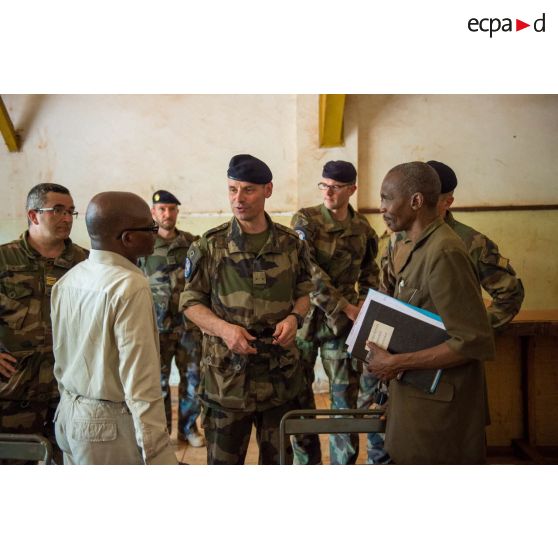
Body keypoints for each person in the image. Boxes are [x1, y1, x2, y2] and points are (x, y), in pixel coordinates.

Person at [180, 154, 313, 465]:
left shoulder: (292, 244)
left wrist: (295, 318)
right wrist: (225, 330)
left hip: (280, 378)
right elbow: (190, 302)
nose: (238, 199)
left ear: (268, 190)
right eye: (232, 189)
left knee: (278, 463)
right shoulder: (209, 247)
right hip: (227, 381)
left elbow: (305, 292)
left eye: (248, 190)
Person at [366, 161, 495, 464]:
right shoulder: (415, 246)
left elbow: (471, 341)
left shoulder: (444, 251)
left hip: (439, 412)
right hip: (417, 401)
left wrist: (396, 363)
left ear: (415, 201)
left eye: (386, 198)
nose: (381, 207)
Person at [51, 192, 177, 464]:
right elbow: (140, 382)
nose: (156, 232)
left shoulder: (69, 279)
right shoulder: (129, 285)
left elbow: (60, 360)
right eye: (150, 228)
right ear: (128, 239)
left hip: (70, 414)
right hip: (107, 427)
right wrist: (158, 453)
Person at [290, 160, 379, 465]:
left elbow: (371, 274)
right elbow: (308, 269)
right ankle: (307, 465)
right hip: (304, 320)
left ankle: (343, 467)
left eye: (336, 187)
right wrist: (346, 306)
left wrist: (365, 307)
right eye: (324, 185)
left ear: (352, 189)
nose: (328, 191)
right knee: (299, 399)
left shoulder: (363, 229)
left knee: (344, 401)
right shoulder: (306, 220)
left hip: (343, 327)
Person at [0, 183, 88, 462]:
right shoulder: (4, 259)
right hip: (14, 391)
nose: (67, 218)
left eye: (70, 211)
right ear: (33, 215)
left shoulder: (85, 262)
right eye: (58, 210)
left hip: (72, 392)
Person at [382, 160, 524, 328]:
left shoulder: (471, 242)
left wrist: (474, 329)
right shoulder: (398, 238)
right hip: (405, 343)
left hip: (446, 349)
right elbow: (386, 290)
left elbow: (509, 295)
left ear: (447, 202)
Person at [139, 189, 205, 447]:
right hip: (156, 326)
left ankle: (189, 429)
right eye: (162, 209)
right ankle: (163, 432)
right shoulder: (144, 246)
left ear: (177, 212)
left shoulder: (190, 243)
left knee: (193, 379)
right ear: (154, 213)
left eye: (172, 209)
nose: (167, 214)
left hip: (188, 325)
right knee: (158, 383)